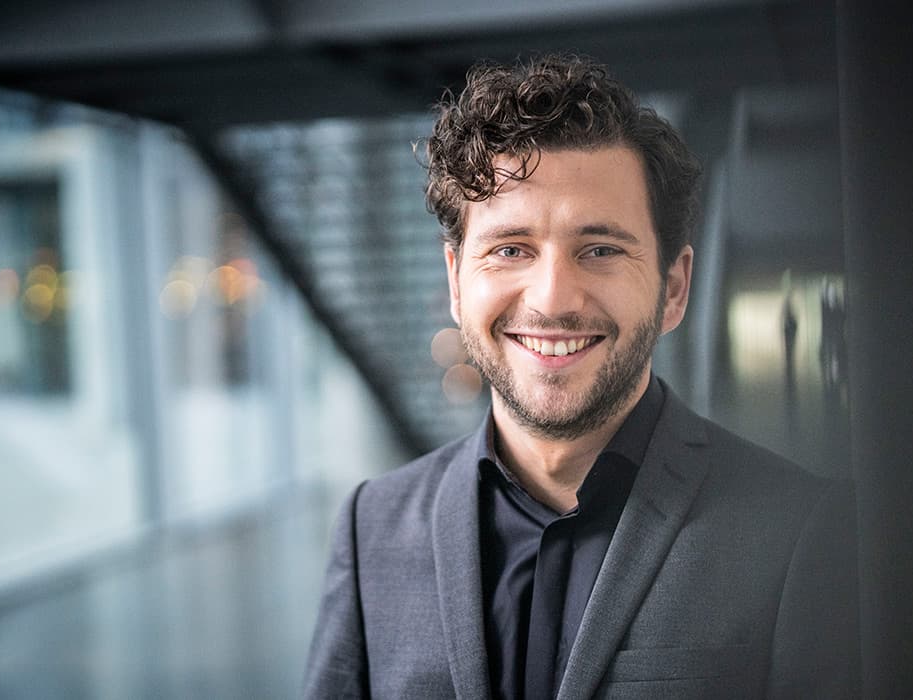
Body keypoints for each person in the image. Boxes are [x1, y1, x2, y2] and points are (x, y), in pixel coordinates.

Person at [301, 54, 859, 699]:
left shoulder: (796, 530)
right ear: (456, 281)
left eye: (600, 250)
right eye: (510, 249)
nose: (554, 297)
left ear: (673, 288)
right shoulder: (372, 527)